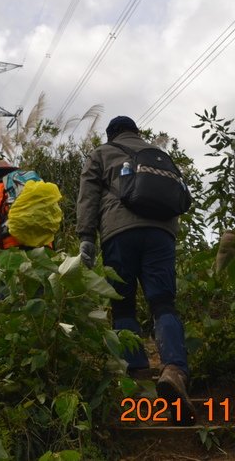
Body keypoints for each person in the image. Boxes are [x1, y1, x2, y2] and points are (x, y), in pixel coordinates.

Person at [76, 115, 193, 423]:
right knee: (163, 301)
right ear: (136, 133)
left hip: (119, 233)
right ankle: (174, 369)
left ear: (112, 134)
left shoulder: (101, 153)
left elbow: (88, 196)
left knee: (123, 303)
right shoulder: (159, 155)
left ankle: (138, 375)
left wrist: (86, 238)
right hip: (161, 233)